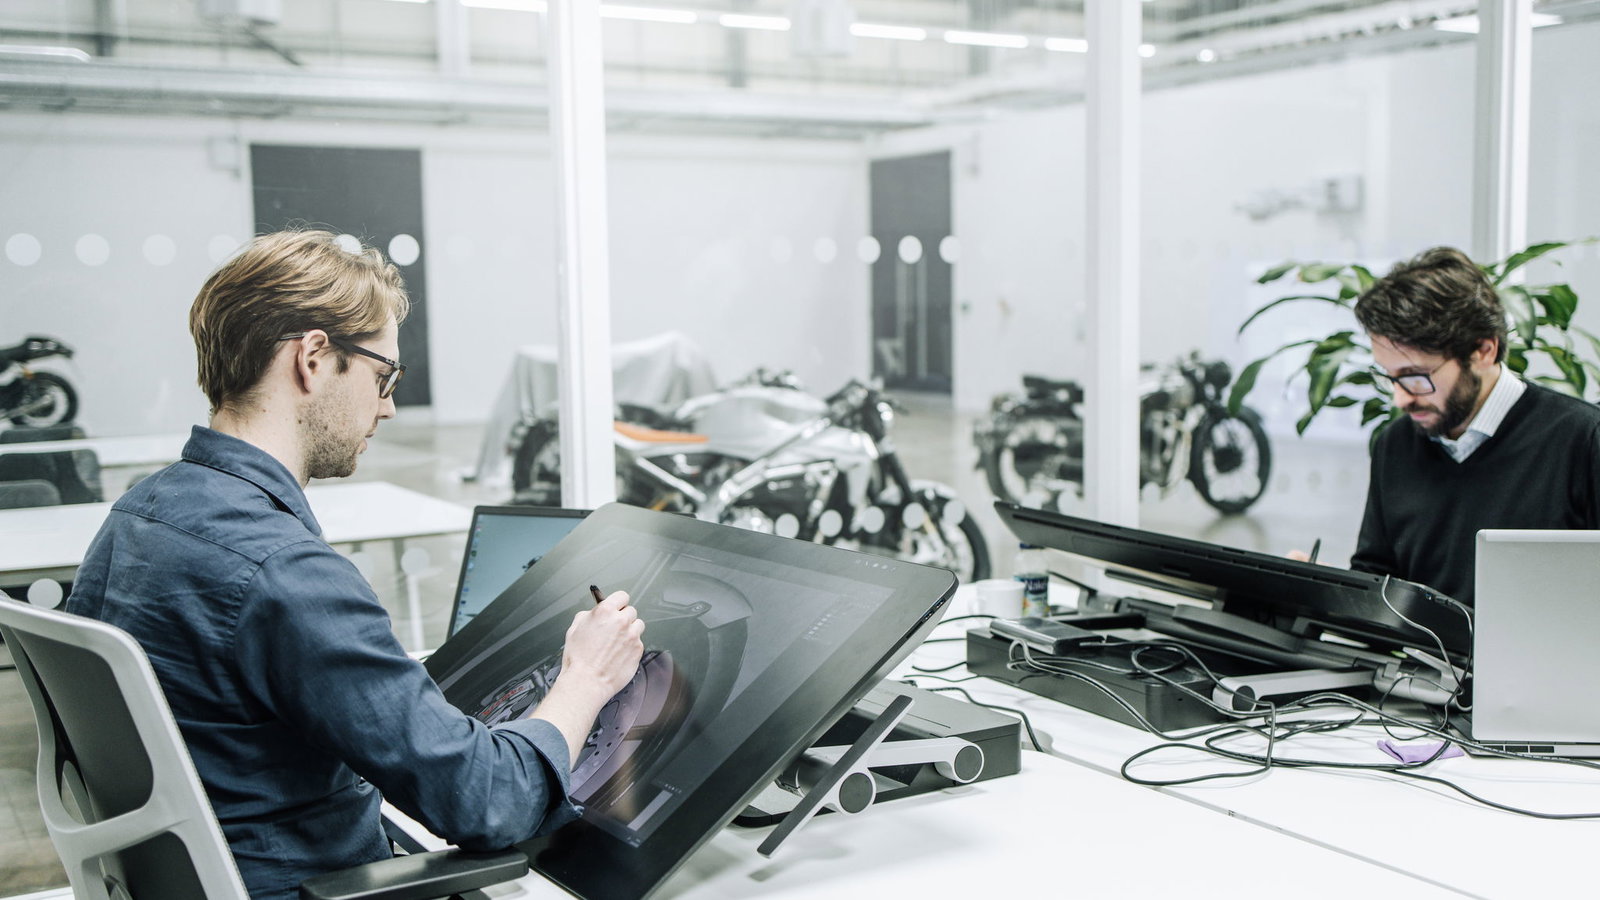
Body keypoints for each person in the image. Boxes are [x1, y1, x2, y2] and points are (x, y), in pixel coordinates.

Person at [66, 229, 645, 900]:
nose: (389, 405)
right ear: (314, 358)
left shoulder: (138, 514)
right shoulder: (285, 572)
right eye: (382, 376)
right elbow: (489, 803)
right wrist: (586, 677)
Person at [1335, 246, 1600, 604]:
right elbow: (1376, 578)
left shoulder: (1583, 440)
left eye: (1416, 377)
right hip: (1419, 660)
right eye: (1390, 377)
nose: (1401, 399)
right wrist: (1318, 594)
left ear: (1483, 351)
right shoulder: (1394, 444)